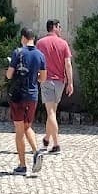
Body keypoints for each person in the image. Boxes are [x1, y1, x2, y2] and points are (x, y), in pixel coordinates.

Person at [5, 27, 47, 176]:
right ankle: (36, 152)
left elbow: (9, 75)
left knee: (19, 130)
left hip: (18, 96)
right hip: (33, 95)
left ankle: (22, 165)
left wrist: (12, 69)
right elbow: (43, 78)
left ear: (23, 38)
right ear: (33, 39)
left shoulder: (18, 53)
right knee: (28, 126)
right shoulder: (40, 55)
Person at [36, 19, 74, 154]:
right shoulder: (63, 44)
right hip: (60, 82)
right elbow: (68, 64)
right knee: (51, 111)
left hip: (46, 80)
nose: (61, 29)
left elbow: (37, 61)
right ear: (54, 27)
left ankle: (56, 144)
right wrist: (70, 82)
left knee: (50, 112)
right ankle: (47, 139)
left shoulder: (40, 43)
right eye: (59, 26)